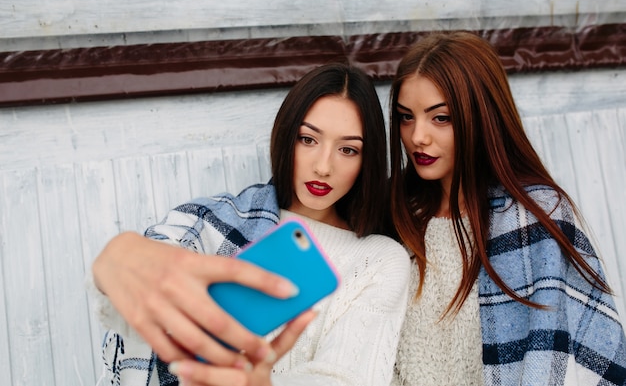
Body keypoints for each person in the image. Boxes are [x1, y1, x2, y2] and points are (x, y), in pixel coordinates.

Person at [88, 62, 411, 386]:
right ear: (286, 136)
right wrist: (118, 258)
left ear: (366, 160)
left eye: (347, 149)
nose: (324, 166)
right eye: (308, 139)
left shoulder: (380, 260)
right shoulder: (212, 221)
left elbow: (347, 379)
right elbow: (140, 285)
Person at [386, 31, 626, 386]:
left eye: (441, 118)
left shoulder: (531, 217)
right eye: (407, 117)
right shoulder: (393, 214)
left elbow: (597, 360)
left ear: (483, 116)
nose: (418, 136)